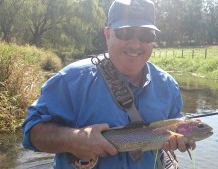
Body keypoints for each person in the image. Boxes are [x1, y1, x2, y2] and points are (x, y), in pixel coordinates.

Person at [22, 0, 196, 168]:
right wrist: (73, 139)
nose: (135, 44)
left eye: (145, 35)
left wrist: (183, 137)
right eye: (125, 33)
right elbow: (31, 132)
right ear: (107, 34)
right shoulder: (71, 80)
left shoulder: (168, 87)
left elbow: (176, 125)